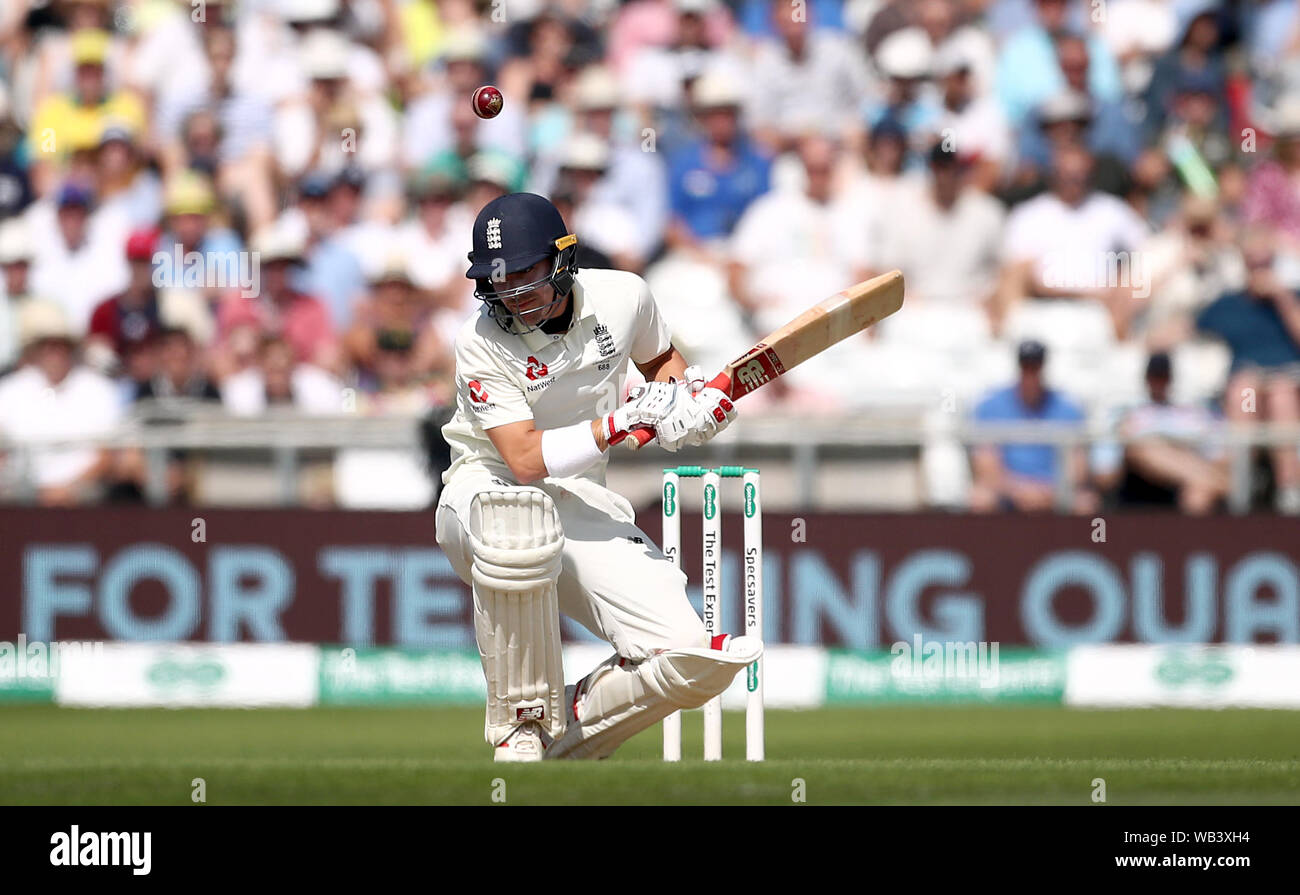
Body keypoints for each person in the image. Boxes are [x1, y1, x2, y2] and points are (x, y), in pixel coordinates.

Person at [434, 193, 759, 761]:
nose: (514, 296)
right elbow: (525, 463)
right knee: (519, 527)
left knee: (686, 657)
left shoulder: (624, 296)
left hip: (579, 494)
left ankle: (566, 737)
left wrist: (685, 410)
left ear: (563, 260)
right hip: (483, 495)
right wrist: (620, 421)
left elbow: (664, 368)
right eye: (500, 283)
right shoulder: (480, 341)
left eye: (527, 278)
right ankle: (521, 722)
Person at [969, 339, 1094, 513]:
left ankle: (1077, 541)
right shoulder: (991, 406)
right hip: (1007, 492)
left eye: (1035, 366)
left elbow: (1078, 467)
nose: (1031, 373)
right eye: (1026, 366)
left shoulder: (1068, 408)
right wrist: (1019, 490)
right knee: (981, 498)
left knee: (1084, 502)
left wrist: (1049, 492)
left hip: (1053, 492)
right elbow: (985, 466)